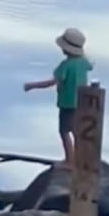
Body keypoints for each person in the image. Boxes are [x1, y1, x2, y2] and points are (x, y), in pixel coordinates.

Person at [23, 28, 93, 166]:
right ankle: (80, 158)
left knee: (64, 131)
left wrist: (32, 86)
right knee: (76, 132)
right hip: (81, 102)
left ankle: (70, 161)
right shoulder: (83, 63)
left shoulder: (65, 65)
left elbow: (52, 82)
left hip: (67, 104)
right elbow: (90, 65)